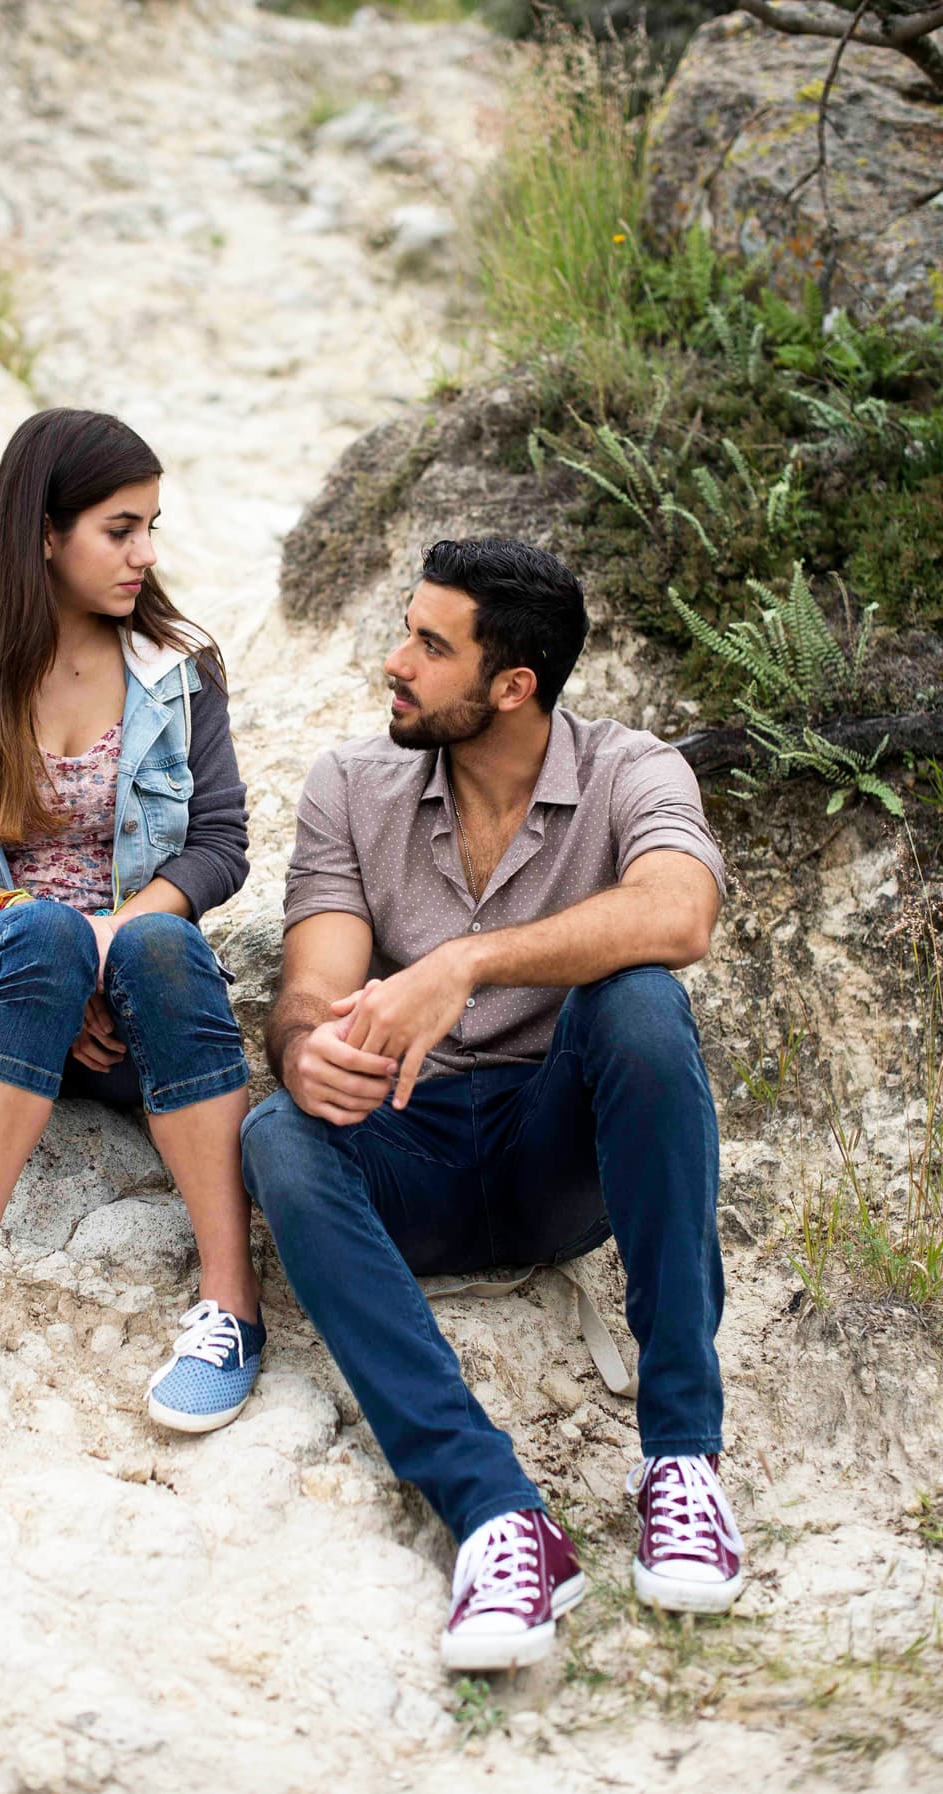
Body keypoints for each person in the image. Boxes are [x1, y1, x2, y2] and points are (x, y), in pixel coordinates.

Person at [240, 537, 743, 1673]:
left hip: (551, 1157)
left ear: (511, 685)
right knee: (277, 1128)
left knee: (641, 1005)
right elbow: (311, 987)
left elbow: (678, 913)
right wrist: (302, 1050)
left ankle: (680, 1460)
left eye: (428, 644)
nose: (392, 663)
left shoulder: (632, 771)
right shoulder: (350, 786)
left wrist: (464, 962)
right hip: (405, 1155)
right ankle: (494, 1516)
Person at [0, 408, 264, 1438]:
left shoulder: (177, 668)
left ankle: (231, 1305)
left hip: (138, 996)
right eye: (117, 529)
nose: (143, 554)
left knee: (155, 941)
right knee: (40, 935)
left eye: (151, 528)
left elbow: (218, 843)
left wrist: (113, 938)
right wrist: (48, 930)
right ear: (43, 532)